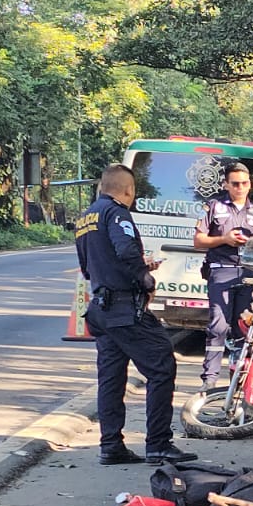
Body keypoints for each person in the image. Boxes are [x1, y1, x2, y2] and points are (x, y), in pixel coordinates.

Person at [75, 164, 196, 466]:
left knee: (111, 377)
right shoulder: (117, 213)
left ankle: (111, 445)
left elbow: (89, 265)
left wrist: (131, 269)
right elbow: (126, 250)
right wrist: (146, 279)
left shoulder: (86, 218)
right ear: (128, 191)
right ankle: (158, 444)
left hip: (101, 309)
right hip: (125, 309)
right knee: (161, 366)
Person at [193, 162, 253, 388]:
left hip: (248, 273)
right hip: (221, 270)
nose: (240, 188)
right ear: (226, 184)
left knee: (243, 329)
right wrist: (224, 239)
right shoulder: (214, 207)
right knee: (218, 326)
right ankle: (209, 382)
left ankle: (240, 382)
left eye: (245, 183)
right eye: (235, 184)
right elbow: (198, 241)